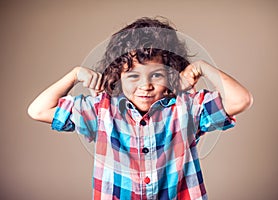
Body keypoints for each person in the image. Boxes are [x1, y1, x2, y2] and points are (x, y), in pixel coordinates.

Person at [28, 17, 253, 200]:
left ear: (170, 74)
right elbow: (38, 110)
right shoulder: (101, 110)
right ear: (118, 77)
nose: (145, 85)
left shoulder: (187, 108)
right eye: (133, 76)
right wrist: (75, 74)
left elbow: (240, 100)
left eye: (156, 75)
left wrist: (202, 68)